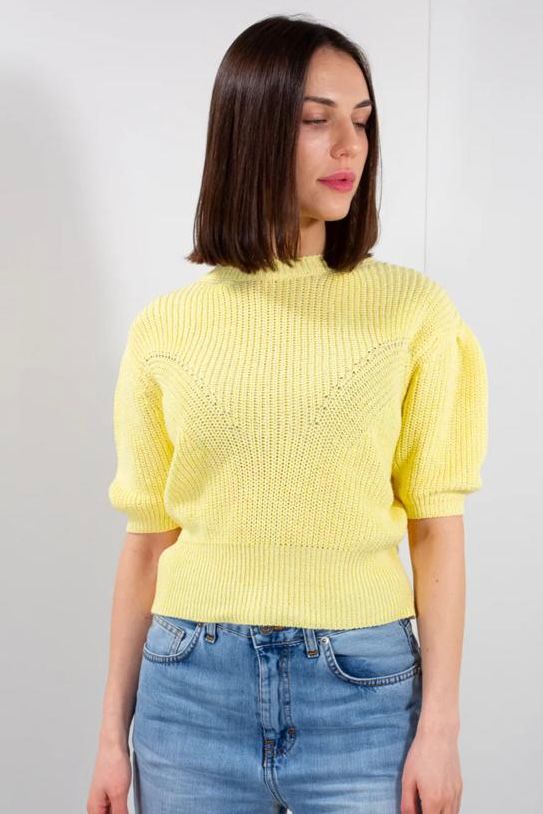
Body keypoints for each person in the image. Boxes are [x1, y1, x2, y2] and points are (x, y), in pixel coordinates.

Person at [87, 14, 488, 814]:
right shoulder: (167, 328)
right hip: (187, 696)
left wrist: (439, 727)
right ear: (253, 130)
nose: (349, 147)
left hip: (363, 695)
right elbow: (147, 540)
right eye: (315, 120)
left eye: (361, 121)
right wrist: (108, 737)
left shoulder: (412, 312)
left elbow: (435, 526)